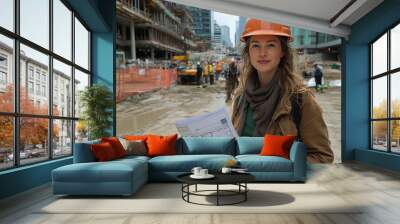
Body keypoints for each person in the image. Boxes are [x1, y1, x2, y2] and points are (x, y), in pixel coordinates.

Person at [231, 19, 333, 163]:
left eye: (271, 45)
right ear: (248, 52)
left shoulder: (300, 99)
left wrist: (279, 168)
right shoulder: (241, 97)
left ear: (282, 51)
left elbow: (322, 157)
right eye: (255, 45)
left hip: (279, 183)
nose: (262, 53)